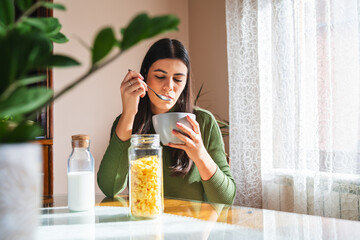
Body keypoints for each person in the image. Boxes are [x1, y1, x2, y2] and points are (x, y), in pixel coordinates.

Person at [97, 38, 236, 205]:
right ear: (145, 76)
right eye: (160, 76)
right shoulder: (126, 122)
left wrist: (199, 155)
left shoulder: (203, 122)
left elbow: (226, 199)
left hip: (191, 227)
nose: (169, 86)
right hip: (143, 223)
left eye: (178, 79)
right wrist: (128, 113)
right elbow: (109, 188)